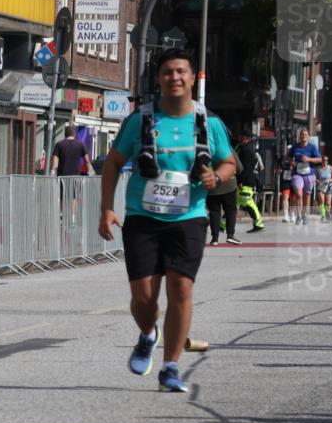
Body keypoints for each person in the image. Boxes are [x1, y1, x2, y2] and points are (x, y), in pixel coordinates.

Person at [98, 48, 236, 393]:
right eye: (167, 72)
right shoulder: (141, 120)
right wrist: (106, 208)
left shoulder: (209, 123)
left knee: (181, 287)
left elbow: (230, 163)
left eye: (180, 72)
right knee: (144, 300)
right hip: (143, 218)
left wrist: (216, 178)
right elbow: (113, 162)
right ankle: (148, 333)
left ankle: (170, 367)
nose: (174, 77)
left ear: (192, 78)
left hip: (188, 217)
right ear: (158, 79)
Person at [235, 131, 265, 233]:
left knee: (247, 201)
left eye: (241, 136)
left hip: (246, 181)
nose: (239, 138)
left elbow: (245, 168)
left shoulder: (247, 150)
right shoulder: (245, 147)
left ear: (246, 138)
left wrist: (240, 180)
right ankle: (223, 224)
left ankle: (258, 223)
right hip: (245, 180)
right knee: (234, 203)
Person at [290, 129, 321, 225]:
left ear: (308, 137)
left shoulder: (312, 147)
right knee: (299, 194)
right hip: (297, 173)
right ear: (299, 136)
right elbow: (289, 156)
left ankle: (304, 215)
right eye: (302, 134)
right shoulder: (295, 146)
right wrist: (291, 162)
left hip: (309, 174)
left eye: (305, 134)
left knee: (307, 195)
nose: (303, 136)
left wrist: (308, 159)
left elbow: (319, 159)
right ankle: (298, 215)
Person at [315, 154, 332, 222]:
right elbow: (315, 178)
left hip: (329, 186)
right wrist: (318, 181)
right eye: (324, 160)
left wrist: (329, 180)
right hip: (321, 186)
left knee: (328, 202)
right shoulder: (318, 169)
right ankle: (323, 215)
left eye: (326, 160)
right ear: (321, 161)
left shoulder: (331, 168)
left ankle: (327, 213)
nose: (325, 161)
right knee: (321, 201)